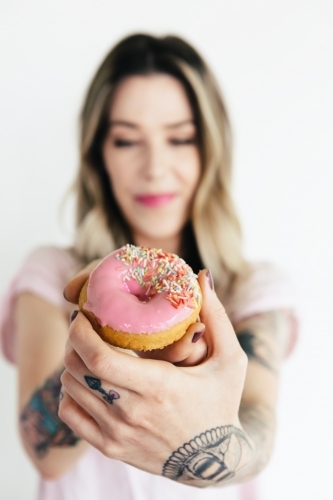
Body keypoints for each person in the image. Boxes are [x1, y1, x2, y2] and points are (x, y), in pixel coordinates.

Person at [0, 34, 297, 500]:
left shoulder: (250, 291)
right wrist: (104, 326)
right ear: (100, 156)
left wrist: (209, 450)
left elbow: (259, 433)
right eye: (126, 140)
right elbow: (46, 454)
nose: (155, 167)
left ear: (210, 151)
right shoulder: (56, 276)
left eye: (180, 138)